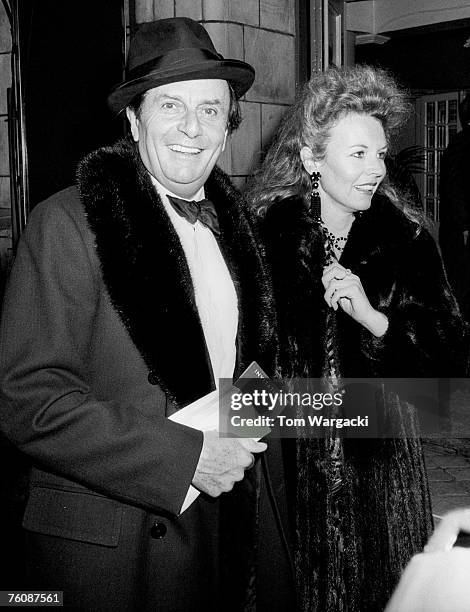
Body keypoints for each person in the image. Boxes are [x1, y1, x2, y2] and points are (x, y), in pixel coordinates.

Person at [0, 18, 293, 611]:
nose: (192, 127)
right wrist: (186, 459)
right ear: (134, 121)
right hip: (115, 544)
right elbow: (29, 399)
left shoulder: (240, 229)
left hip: (225, 525)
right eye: (170, 106)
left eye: (211, 109)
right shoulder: (68, 224)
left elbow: (243, 363)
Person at [250, 65, 467, 611]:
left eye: (380, 153)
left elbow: (450, 363)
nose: (376, 170)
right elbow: (243, 358)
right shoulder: (265, 239)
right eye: (358, 154)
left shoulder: (408, 242)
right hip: (288, 472)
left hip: (381, 478)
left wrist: (376, 320)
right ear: (311, 159)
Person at [439, 95, 470, 323]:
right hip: (461, 230)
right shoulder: (462, 143)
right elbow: (453, 187)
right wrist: (465, 225)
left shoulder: (459, 142)